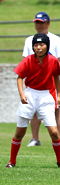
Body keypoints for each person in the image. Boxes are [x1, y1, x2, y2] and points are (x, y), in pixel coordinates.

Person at [6, 33, 60, 168]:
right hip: (30, 95)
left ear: (47, 46)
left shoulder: (53, 61)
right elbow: (19, 77)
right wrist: (21, 93)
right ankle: (12, 161)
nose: (39, 48)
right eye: (36, 45)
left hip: (47, 96)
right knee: (19, 133)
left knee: (54, 132)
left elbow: (56, 77)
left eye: (42, 45)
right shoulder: (28, 60)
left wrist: (58, 94)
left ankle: (59, 161)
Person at [22, 12, 60, 147]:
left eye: (41, 22)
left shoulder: (56, 40)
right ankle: (35, 139)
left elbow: (58, 62)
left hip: (51, 81)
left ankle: (57, 139)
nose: (39, 25)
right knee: (33, 110)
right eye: (37, 22)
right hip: (34, 82)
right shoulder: (29, 40)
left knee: (57, 109)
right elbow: (26, 61)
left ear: (48, 23)